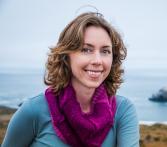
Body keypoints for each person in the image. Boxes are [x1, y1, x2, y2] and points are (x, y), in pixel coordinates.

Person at [2, 12, 139, 147]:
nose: (98, 61)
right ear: (66, 55)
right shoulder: (33, 111)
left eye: (105, 51)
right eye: (86, 49)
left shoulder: (123, 111)